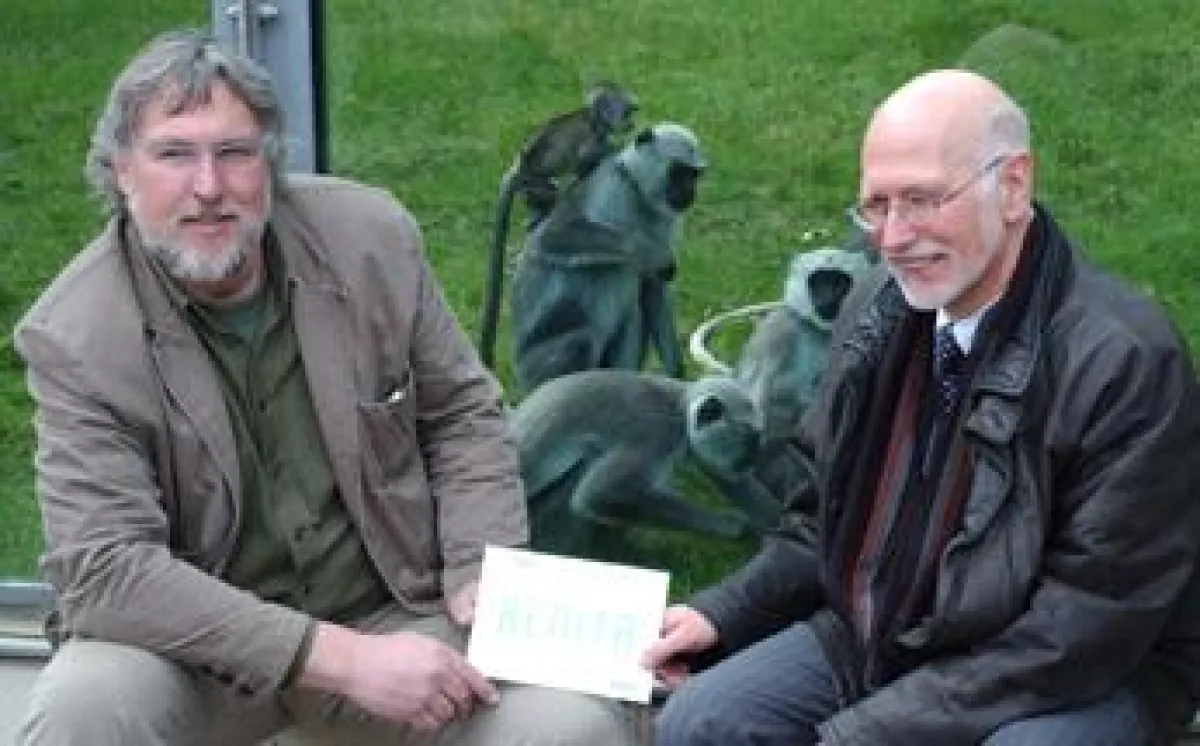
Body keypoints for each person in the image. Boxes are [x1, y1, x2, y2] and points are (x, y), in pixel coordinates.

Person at [13, 28, 632, 746]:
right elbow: (107, 570)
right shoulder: (75, 336)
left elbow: (461, 411)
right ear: (122, 170)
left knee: (567, 724)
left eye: (235, 152)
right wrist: (345, 661)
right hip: (197, 651)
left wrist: (478, 563)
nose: (208, 187)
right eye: (174, 154)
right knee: (84, 708)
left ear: (270, 163)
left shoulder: (369, 238)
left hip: (394, 607)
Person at [643, 68, 1200, 745]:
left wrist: (868, 733)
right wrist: (723, 613)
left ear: (1014, 186)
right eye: (874, 206)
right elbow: (822, 511)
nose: (892, 237)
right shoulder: (875, 310)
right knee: (703, 721)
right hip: (895, 630)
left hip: (1074, 675)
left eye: (922, 200)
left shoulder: (1124, 362)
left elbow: (1083, 626)